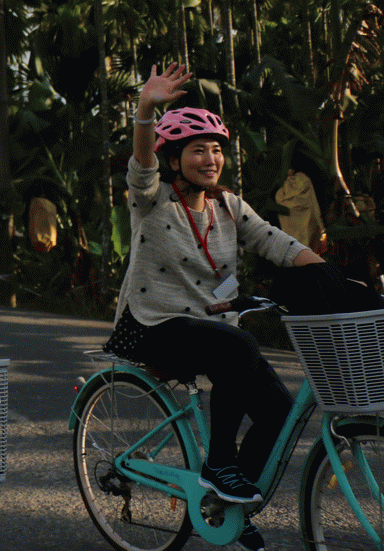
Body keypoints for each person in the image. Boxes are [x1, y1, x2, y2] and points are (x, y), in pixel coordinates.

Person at [110, 63, 326, 551]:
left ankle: (228, 504)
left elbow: (276, 242)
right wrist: (146, 108)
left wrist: (333, 276)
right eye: (197, 149)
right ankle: (219, 466)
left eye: (216, 150)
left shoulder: (229, 205)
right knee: (237, 346)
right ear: (172, 159)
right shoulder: (151, 200)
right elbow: (140, 167)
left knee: (280, 413)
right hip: (153, 324)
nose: (210, 159)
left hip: (212, 330)